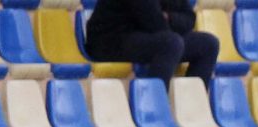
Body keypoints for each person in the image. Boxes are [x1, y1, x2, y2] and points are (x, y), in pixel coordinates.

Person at [85, 0, 219, 87]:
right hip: (110, 41)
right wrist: (169, 21)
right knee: (170, 43)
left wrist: (169, 18)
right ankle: (154, 108)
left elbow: (190, 19)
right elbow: (154, 23)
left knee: (208, 44)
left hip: (145, 36)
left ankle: (191, 109)